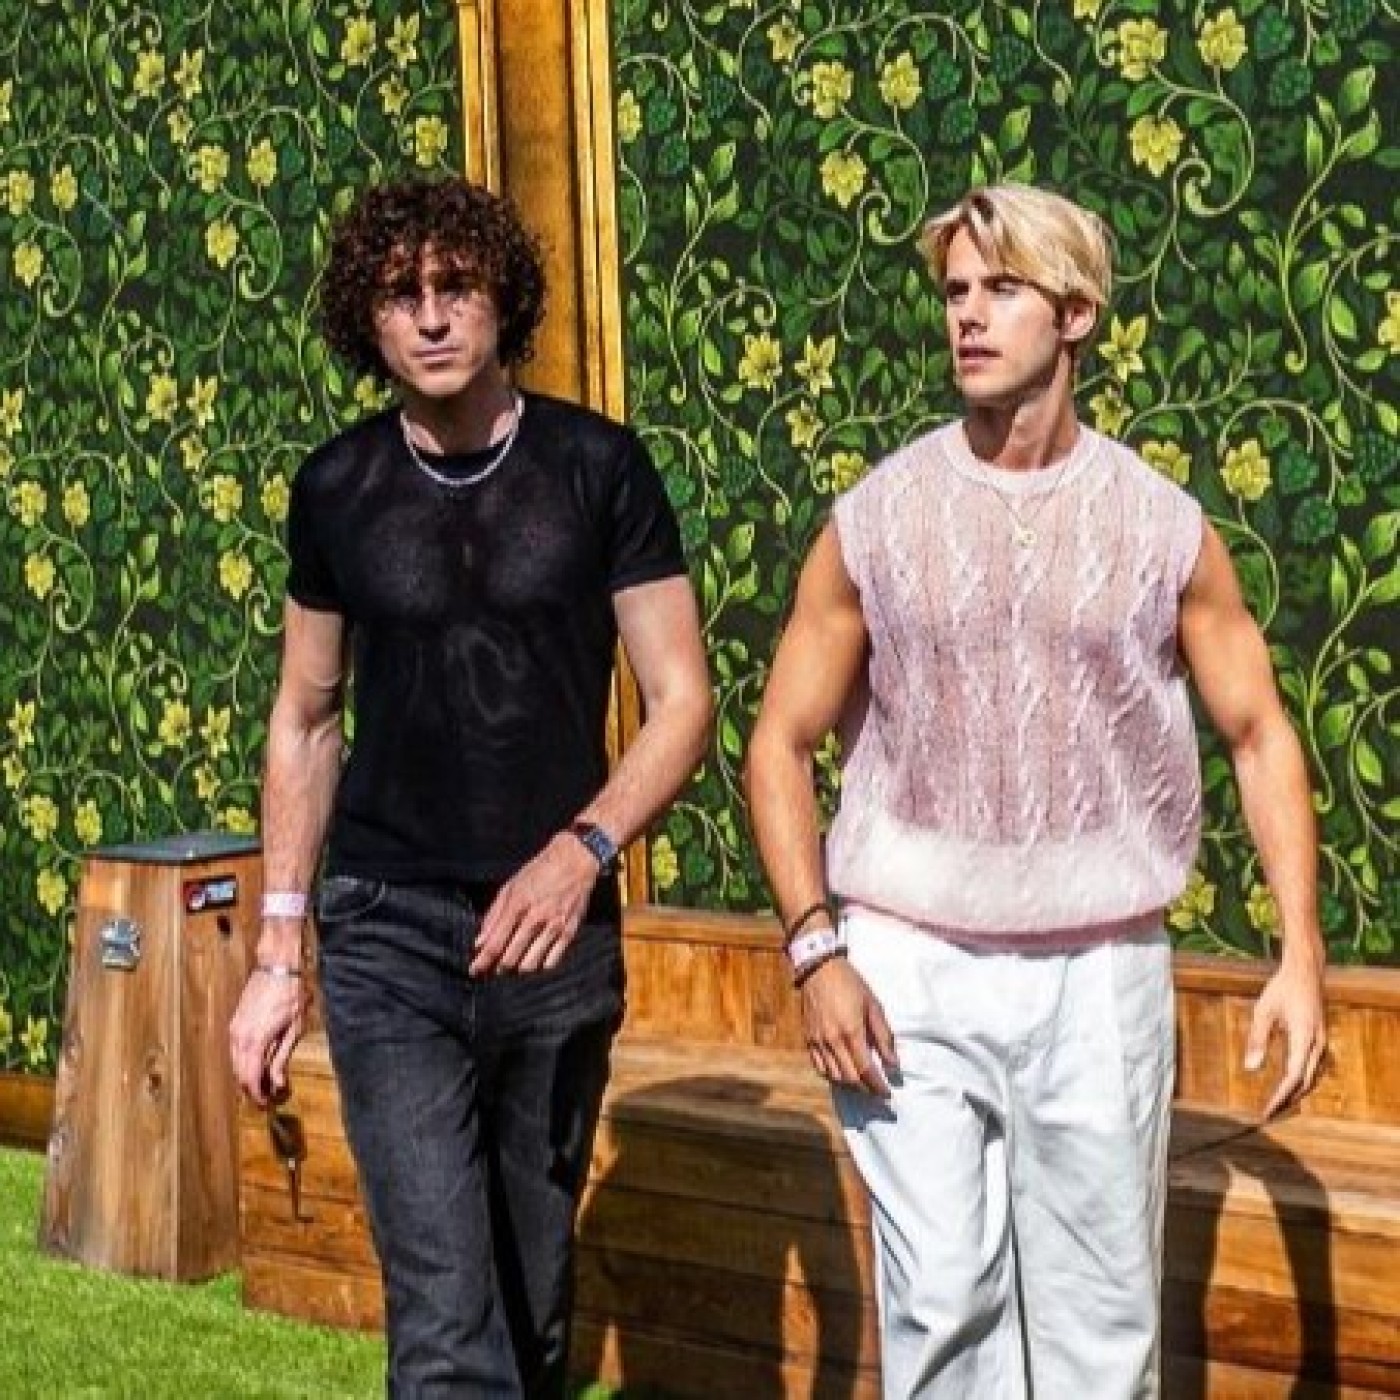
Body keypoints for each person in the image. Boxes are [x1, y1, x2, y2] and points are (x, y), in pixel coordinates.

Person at [744, 183, 1327, 1398]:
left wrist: (1299, 952)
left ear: (1076, 312)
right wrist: (814, 949)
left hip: (1099, 972)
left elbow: (1258, 730)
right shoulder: (874, 518)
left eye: (1000, 288)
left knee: (1101, 1332)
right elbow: (778, 740)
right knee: (939, 1305)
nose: (965, 313)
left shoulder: (1162, 526)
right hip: (904, 966)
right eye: (954, 290)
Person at [228, 176, 711, 1398]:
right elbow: (305, 716)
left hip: (554, 937)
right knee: (447, 1319)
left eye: (456, 287)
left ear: (504, 299)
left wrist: (577, 852)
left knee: (531, 1310)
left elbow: (682, 703)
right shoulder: (335, 488)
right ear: (367, 320)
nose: (433, 316)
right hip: (386, 929)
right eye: (402, 295)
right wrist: (279, 950)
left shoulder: (597, 466)